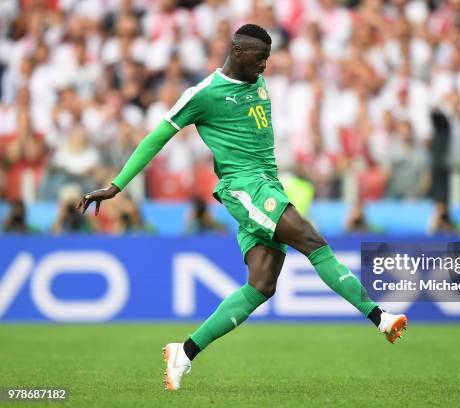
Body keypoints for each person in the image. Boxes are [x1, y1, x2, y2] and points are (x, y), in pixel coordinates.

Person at [77, 24, 407, 391]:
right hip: (244, 188)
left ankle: (182, 353)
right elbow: (156, 137)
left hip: (268, 186)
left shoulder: (256, 81)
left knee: (262, 285)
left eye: (268, 58)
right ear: (237, 51)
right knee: (312, 240)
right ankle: (379, 317)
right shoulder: (204, 94)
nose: (265, 65)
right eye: (259, 57)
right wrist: (115, 186)